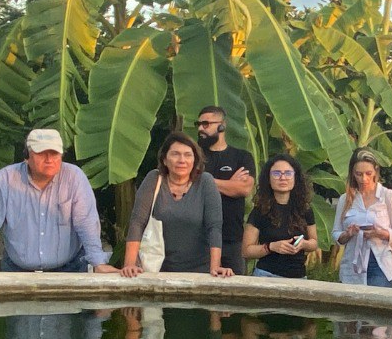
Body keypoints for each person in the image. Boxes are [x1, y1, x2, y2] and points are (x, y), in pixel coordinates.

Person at [0, 129, 114, 276]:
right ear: (27, 156)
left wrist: (99, 263)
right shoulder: (6, 179)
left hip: (70, 268)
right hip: (17, 271)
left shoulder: (74, 177)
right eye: (42, 154)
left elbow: (86, 222)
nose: (49, 160)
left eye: (54, 153)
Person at [122, 132, 232, 277]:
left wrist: (215, 267)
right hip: (156, 270)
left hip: (199, 270)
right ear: (165, 160)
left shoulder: (205, 182)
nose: (182, 160)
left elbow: (214, 227)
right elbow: (137, 222)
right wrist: (129, 264)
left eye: (188, 155)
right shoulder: (154, 179)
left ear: (195, 160)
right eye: (175, 154)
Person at [333, 148, 392, 288]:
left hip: (380, 261)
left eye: (368, 173)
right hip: (352, 264)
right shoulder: (346, 199)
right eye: (359, 174)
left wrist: (380, 233)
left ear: (376, 172)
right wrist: (348, 234)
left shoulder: (388, 196)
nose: (364, 179)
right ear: (352, 174)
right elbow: (336, 232)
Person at [195, 106, 256, 275]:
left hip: (232, 238)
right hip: (199, 238)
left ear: (222, 125)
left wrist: (204, 180)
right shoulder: (194, 157)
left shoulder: (242, 157)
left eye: (206, 124)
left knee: (236, 291)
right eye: (198, 124)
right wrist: (229, 184)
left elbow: (244, 188)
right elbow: (189, 185)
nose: (200, 128)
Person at [243, 154, 317, 279]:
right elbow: (246, 250)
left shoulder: (305, 209)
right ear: (268, 179)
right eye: (276, 174)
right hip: (267, 275)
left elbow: (314, 242)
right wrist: (271, 247)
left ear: (295, 177)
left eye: (288, 173)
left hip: (298, 277)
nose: (283, 178)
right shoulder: (260, 211)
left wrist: (303, 244)